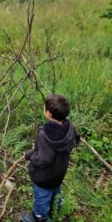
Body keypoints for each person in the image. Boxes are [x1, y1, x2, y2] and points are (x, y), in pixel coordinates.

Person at [21, 94, 80, 222]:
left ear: (48, 113)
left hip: (44, 177)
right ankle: (57, 209)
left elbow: (44, 159)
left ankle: (39, 217)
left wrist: (30, 155)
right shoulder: (70, 126)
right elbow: (76, 139)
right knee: (56, 192)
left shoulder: (45, 134)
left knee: (42, 197)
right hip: (59, 172)